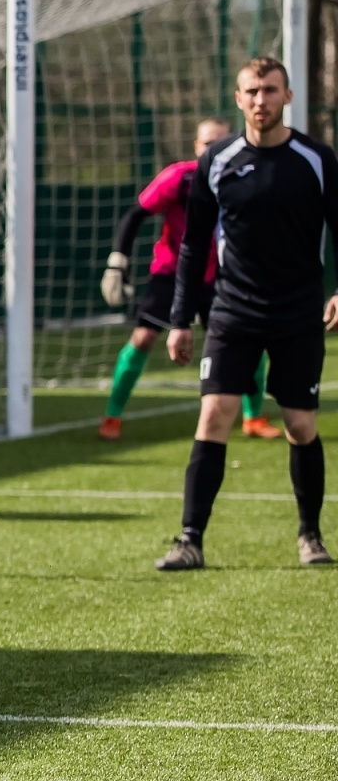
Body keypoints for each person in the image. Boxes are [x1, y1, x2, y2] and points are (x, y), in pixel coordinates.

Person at [158, 57, 338, 570]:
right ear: (239, 99)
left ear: (288, 97)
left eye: (271, 90)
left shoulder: (317, 159)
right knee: (214, 414)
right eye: (252, 91)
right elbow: (193, 246)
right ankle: (189, 540)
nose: (261, 100)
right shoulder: (216, 160)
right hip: (233, 309)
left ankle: (311, 535)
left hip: (298, 310)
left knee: (301, 424)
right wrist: (179, 319)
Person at [98, 118, 281, 441]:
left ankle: (254, 418)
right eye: (207, 143)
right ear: (196, 147)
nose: (213, 149)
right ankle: (112, 416)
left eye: (220, 142)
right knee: (142, 338)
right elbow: (135, 214)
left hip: (224, 276)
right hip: (173, 273)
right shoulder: (180, 177)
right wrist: (118, 263)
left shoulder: (243, 177)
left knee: (248, 342)